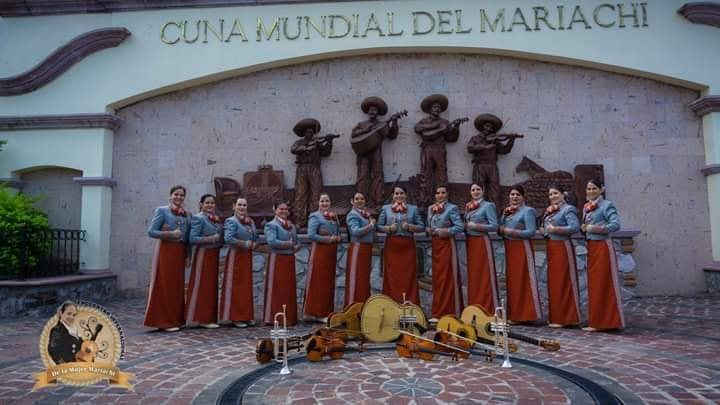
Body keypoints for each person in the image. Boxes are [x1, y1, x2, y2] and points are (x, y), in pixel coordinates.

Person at [144, 185, 189, 332]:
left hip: (180, 252)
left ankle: (176, 319)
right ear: (170, 196)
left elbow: (187, 238)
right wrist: (169, 234)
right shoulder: (162, 210)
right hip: (166, 251)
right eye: (176, 194)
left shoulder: (187, 214)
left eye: (182, 195)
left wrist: (188, 255)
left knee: (176, 287)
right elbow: (151, 231)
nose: (179, 197)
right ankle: (164, 321)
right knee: (164, 285)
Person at [581, 179, 624, 332]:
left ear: (601, 190)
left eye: (594, 188)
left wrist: (592, 228)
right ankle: (596, 320)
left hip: (603, 247)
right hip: (591, 246)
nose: (591, 191)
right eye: (588, 188)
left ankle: (607, 321)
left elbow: (615, 225)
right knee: (594, 284)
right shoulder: (586, 207)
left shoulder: (607, 205)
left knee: (604, 283)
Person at [539, 185, 581, 328]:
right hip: (552, 247)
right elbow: (547, 228)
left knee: (564, 281)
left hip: (563, 247)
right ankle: (556, 317)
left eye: (556, 193)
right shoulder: (549, 211)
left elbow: (574, 227)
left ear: (563, 194)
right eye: (550, 194)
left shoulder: (568, 209)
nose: (553, 196)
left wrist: (555, 229)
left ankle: (567, 318)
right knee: (555, 283)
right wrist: (544, 231)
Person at [498, 186, 541, 323]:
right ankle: (515, 315)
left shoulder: (528, 211)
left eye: (517, 195)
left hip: (522, 248)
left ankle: (527, 315)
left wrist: (509, 231)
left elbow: (530, 231)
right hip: (509, 248)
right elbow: (500, 228)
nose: (514, 197)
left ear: (523, 197)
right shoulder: (507, 212)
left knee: (524, 280)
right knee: (513, 282)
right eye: (512, 194)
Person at [376, 186, 425, 304]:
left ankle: (410, 304)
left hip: (407, 246)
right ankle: (391, 305)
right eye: (396, 194)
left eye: (401, 193)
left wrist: (410, 227)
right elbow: (378, 226)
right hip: (392, 246)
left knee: (408, 277)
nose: (399, 196)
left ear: (406, 195)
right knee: (392, 277)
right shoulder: (386, 208)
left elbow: (422, 226)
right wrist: (388, 228)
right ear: (393, 196)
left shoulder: (413, 209)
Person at [414, 94, 464, 205]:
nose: (437, 109)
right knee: (425, 175)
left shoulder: (445, 123)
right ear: (430, 109)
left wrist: (456, 128)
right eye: (435, 107)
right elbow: (417, 128)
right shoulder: (424, 121)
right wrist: (434, 126)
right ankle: (424, 201)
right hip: (427, 149)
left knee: (442, 175)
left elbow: (451, 139)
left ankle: (443, 201)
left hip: (440, 149)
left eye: (439, 108)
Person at [351, 96, 401, 207]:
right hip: (363, 153)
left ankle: (378, 201)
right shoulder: (361, 124)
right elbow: (354, 134)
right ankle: (360, 202)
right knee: (363, 176)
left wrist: (394, 122)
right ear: (367, 112)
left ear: (378, 112)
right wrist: (367, 129)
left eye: (374, 110)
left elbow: (392, 136)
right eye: (370, 110)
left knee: (378, 175)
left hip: (376, 152)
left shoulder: (382, 125)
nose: (372, 111)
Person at [427, 186, 465, 320]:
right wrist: (429, 230)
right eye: (438, 193)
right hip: (435, 245)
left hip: (447, 244)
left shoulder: (452, 208)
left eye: (443, 192)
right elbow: (430, 225)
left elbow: (459, 227)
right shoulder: (430, 208)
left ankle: (451, 311)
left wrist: (445, 231)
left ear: (447, 194)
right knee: (437, 278)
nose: (440, 195)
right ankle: (437, 311)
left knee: (447, 277)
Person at [291, 118, 336, 227]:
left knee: (316, 194)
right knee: (300, 194)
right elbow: (293, 149)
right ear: (304, 133)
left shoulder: (317, 143)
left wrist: (329, 142)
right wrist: (307, 147)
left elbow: (325, 153)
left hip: (314, 168)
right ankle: (299, 220)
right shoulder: (299, 142)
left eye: (311, 132)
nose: (310, 134)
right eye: (308, 132)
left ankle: (315, 220)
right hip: (302, 168)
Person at [186, 194, 223, 329]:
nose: (210, 205)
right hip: (203, 254)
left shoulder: (215, 219)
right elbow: (193, 238)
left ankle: (210, 317)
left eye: (212, 203)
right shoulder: (198, 218)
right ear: (201, 204)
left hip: (214, 254)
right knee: (203, 285)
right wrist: (210, 239)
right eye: (207, 203)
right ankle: (201, 318)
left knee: (211, 286)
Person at [220, 197, 257, 328]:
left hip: (247, 256)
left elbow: (255, 237)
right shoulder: (231, 221)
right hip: (236, 256)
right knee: (236, 285)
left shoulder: (250, 222)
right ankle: (235, 317)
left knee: (245, 286)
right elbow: (228, 238)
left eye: (244, 205)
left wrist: (254, 243)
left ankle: (246, 315)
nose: (242, 207)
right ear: (234, 206)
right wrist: (244, 243)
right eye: (239, 205)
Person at [303, 193, 341, 322]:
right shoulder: (315, 217)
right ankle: (317, 312)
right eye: (322, 201)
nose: (325, 203)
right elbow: (311, 235)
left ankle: (326, 310)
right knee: (319, 281)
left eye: (327, 201)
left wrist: (337, 235)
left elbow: (337, 232)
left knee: (328, 282)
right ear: (318, 203)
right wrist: (328, 238)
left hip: (331, 253)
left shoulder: (333, 217)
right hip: (320, 252)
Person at [464, 183, 500, 315]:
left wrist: (477, 226)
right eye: (473, 190)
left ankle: (488, 309)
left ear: (483, 191)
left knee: (484, 275)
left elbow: (494, 225)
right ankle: (474, 308)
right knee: (474, 276)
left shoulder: (488, 206)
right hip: (471, 242)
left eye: (478, 189)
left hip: (481, 242)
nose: (475, 192)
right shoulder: (468, 206)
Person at [466, 114, 518, 204]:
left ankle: (495, 211)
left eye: (491, 128)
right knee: (479, 188)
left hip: (492, 165)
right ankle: (477, 209)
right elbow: (470, 148)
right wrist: (484, 146)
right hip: (480, 165)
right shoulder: (476, 138)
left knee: (495, 188)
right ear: (483, 127)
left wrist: (511, 140)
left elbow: (504, 150)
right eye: (487, 126)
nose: (489, 129)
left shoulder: (495, 140)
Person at [264, 201, 300, 326]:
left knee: (288, 289)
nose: (284, 211)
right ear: (275, 210)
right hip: (278, 259)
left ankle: (289, 317)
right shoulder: (271, 225)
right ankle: (274, 317)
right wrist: (289, 244)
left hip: (289, 260)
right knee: (277, 288)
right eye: (281, 209)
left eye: (285, 209)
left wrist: (296, 246)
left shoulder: (291, 226)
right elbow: (272, 242)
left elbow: (296, 241)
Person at [344, 191, 375, 306]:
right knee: (356, 278)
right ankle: (353, 306)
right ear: (352, 201)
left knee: (363, 279)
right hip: (358, 248)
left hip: (366, 248)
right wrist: (371, 225)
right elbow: (355, 232)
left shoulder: (364, 214)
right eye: (357, 199)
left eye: (362, 198)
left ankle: (364, 305)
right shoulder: (352, 214)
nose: (359, 201)